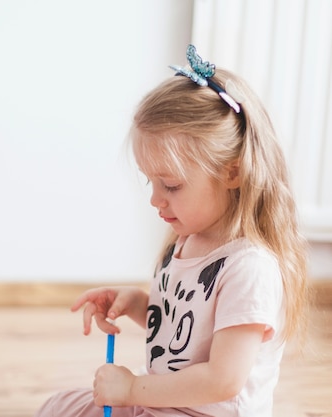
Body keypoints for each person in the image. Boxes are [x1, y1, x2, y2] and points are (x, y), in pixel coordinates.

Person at [34, 45, 309, 417]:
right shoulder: (186, 240)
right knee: (59, 406)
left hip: (204, 412)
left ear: (231, 172)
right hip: (164, 404)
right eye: (151, 183)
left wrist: (132, 388)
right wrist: (136, 303)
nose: (156, 200)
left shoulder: (249, 268)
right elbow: (189, 332)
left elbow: (222, 380)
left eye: (171, 185)